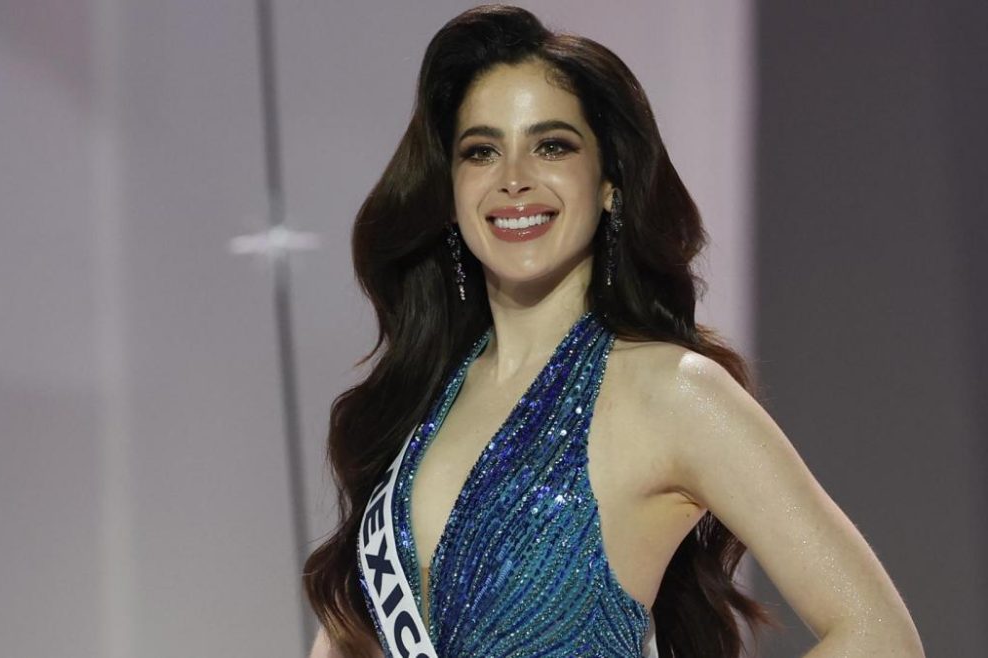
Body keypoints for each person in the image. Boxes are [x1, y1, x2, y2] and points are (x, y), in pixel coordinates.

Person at [303, 5, 924, 658]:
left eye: (552, 145)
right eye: (481, 151)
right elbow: (348, 634)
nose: (513, 178)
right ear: (452, 195)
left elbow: (879, 636)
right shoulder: (420, 398)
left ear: (609, 185)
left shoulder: (671, 393)